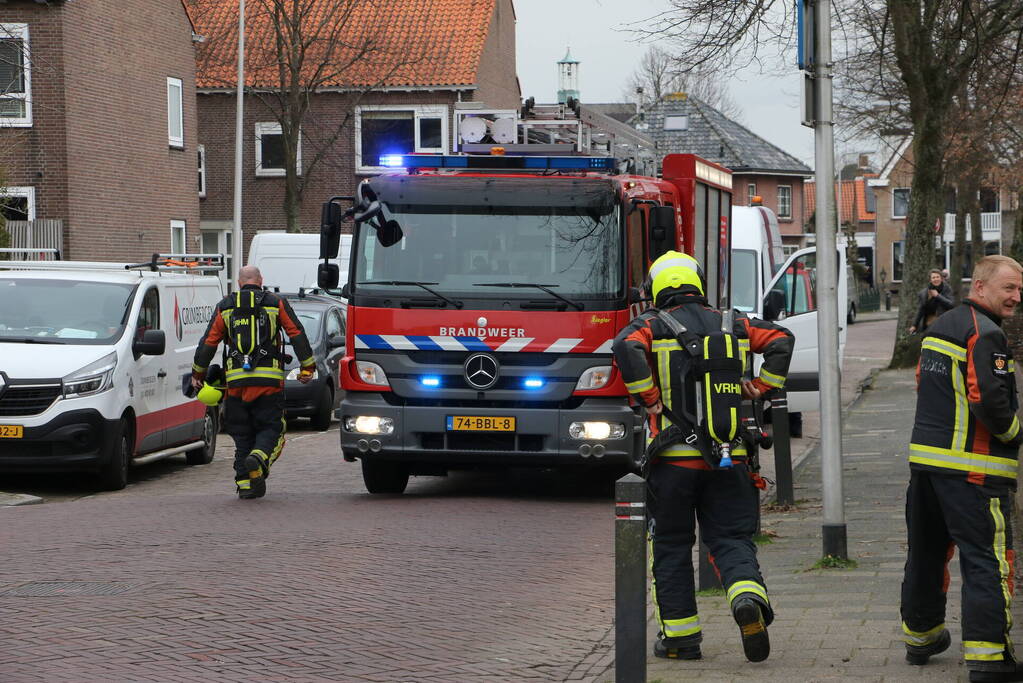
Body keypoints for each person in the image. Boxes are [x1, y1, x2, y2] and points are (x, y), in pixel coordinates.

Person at [612, 250, 794, 663]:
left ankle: (681, 640)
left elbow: (624, 346)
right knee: (731, 539)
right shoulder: (735, 323)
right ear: (697, 283)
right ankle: (747, 599)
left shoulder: (651, 325)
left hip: (672, 463)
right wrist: (763, 386)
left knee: (672, 546)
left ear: (657, 288)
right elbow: (783, 339)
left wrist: (649, 396)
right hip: (731, 458)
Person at [900, 255, 1023, 682]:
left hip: (927, 468)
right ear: (982, 286)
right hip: (973, 472)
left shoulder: (940, 328)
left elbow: (924, 385)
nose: (1016, 297)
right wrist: (1015, 434)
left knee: (926, 554)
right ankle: (990, 660)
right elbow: (990, 400)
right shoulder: (985, 334)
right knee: (986, 560)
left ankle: (921, 638)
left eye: (1019, 290)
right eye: (1009, 288)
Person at [192, 265, 316, 499]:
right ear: (261, 280)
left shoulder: (225, 306)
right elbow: (296, 333)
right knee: (273, 429)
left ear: (239, 283)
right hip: (268, 382)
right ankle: (259, 458)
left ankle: (246, 487)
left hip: (235, 384)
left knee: (242, 437)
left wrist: (197, 375)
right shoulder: (274, 302)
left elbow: (208, 343)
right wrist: (308, 367)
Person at [909, 269, 954, 334]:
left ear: (941, 279)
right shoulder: (924, 293)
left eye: (937, 277)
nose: (936, 279)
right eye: (933, 277)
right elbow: (921, 310)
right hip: (929, 324)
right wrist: (914, 325)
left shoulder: (947, 289)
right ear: (930, 280)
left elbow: (951, 304)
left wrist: (937, 296)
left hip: (944, 322)